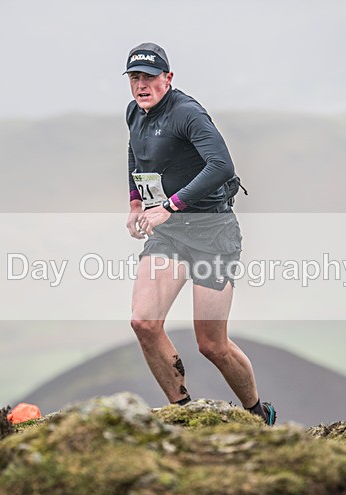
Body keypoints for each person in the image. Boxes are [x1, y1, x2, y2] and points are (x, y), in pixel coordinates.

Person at [124, 43, 276, 425]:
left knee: (211, 344)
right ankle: (185, 414)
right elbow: (136, 153)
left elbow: (222, 166)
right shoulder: (135, 113)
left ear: (168, 78)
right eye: (135, 78)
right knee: (144, 323)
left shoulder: (187, 113)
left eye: (150, 77)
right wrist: (135, 204)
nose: (142, 85)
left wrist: (170, 205)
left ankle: (258, 413)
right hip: (169, 234)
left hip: (212, 233)